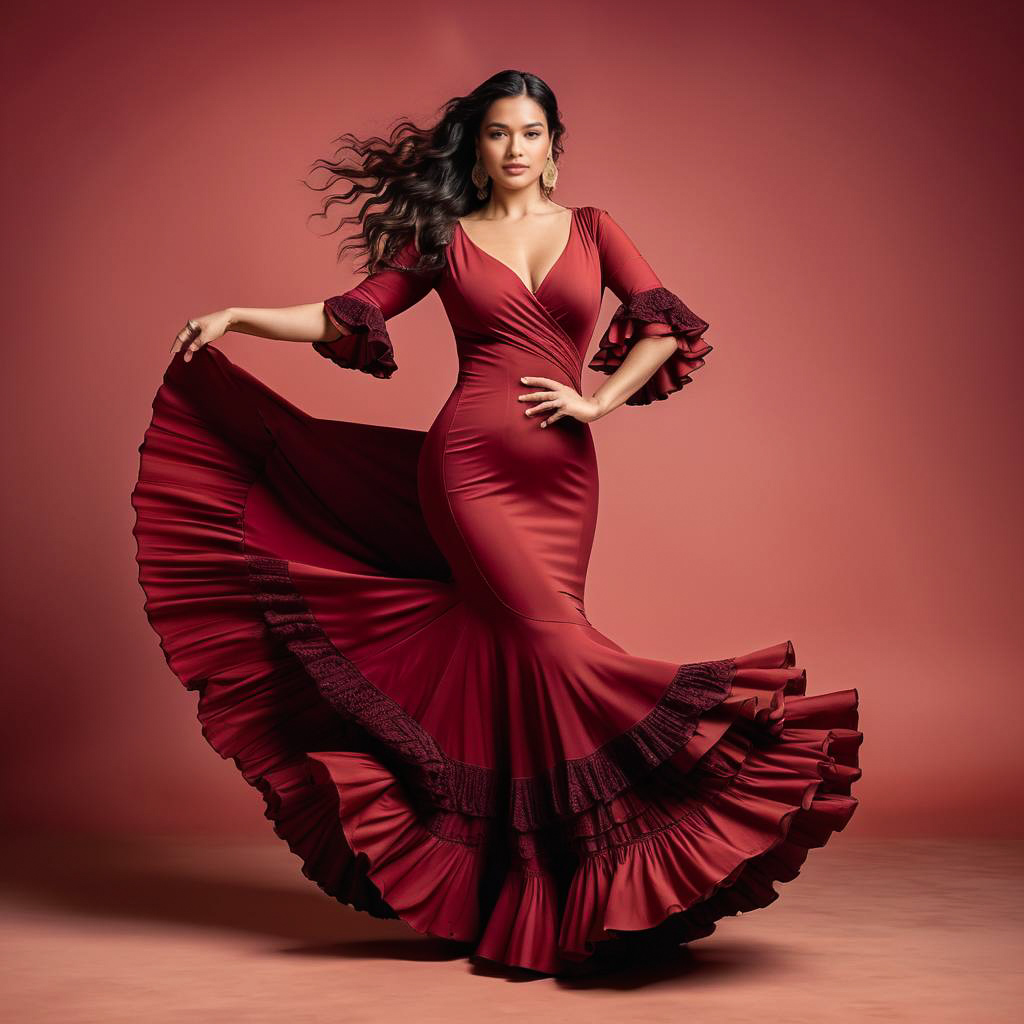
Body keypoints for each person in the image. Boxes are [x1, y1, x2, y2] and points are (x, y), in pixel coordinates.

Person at [131, 70, 862, 978]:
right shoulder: (442, 237)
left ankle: (536, 900)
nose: (514, 149)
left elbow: (664, 328)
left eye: (529, 133)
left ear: (556, 144)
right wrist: (238, 313)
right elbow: (343, 314)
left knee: (526, 665)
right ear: (476, 148)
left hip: (562, 475)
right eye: (496, 135)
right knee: (554, 650)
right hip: (469, 469)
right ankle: (662, 816)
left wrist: (598, 403)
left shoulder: (594, 228)